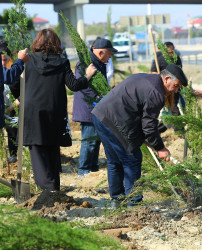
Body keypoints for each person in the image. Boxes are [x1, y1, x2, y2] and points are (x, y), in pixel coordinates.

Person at [91, 64, 188, 208]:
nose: (176, 90)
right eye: (176, 85)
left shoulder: (147, 78)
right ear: (167, 79)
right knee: (132, 159)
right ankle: (134, 204)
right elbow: (148, 125)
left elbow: (142, 118)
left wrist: (150, 135)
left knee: (114, 161)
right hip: (116, 121)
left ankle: (116, 201)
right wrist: (160, 148)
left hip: (100, 115)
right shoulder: (157, 93)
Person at [23, 29, 97, 191]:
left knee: (37, 149)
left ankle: (48, 189)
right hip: (55, 110)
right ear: (56, 43)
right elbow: (74, 85)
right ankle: (54, 187)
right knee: (53, 148)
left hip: (33, 111)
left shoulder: (28, 60)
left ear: (37, 42)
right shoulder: (62, 61)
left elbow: (16, 83)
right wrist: (88, 75)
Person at [73, 38, 117, 178]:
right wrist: (97, 97)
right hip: (87, 107)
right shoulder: (86, 63)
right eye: (109, 54)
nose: (110, 57)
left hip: (97, 107)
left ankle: (93, 167)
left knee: (96, 139)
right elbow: (81, 85)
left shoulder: (99, 64)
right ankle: (84, 170)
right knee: (89, 139)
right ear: (101, 52)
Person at [151, 42, 185, 124]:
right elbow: (153, 72)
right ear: (164, 51)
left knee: (174, 106)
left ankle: (178, 128)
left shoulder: (177, 59)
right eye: (169, 52)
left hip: (174, 87)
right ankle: (163, 126)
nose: (172, 54)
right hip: (163, 88)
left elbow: (180, 73)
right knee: (166, 108)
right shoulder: (159, 60)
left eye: (173, 51)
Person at [0, 40, 20, 162]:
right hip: (4, 110)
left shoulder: (16, 72)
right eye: (1, 60)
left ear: (11, 58)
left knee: (14, 134)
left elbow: (26, 91)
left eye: (5, 60)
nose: (3, 63)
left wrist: (13, 105)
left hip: (15, 110)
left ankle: (16, 156)